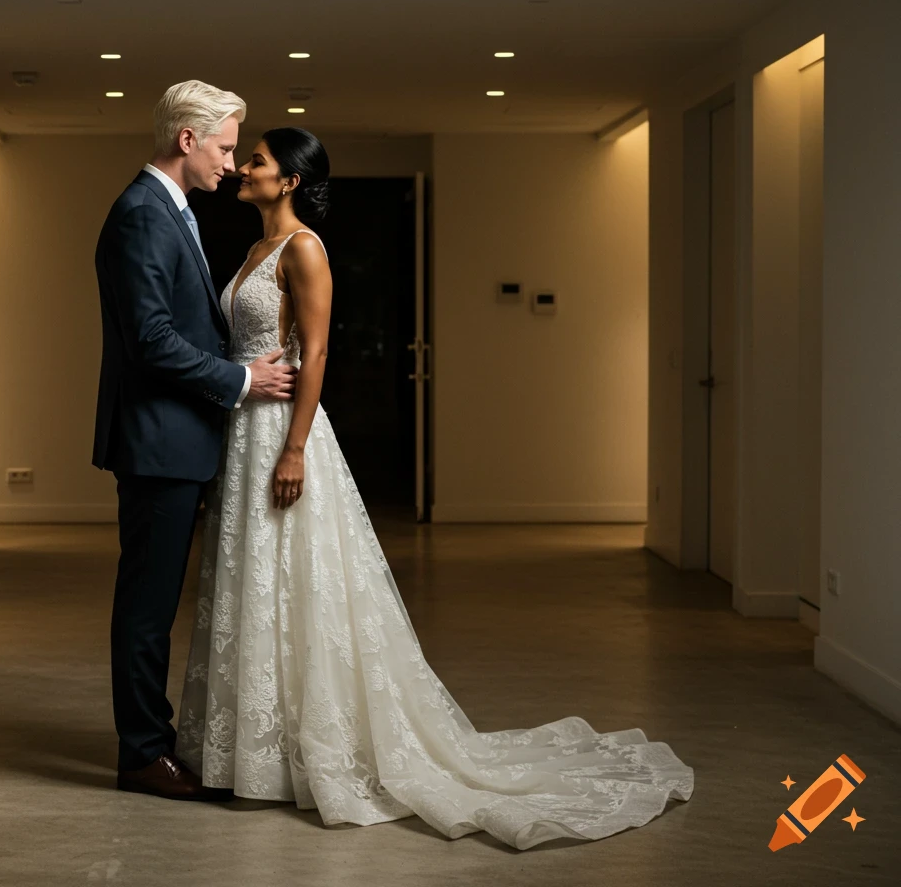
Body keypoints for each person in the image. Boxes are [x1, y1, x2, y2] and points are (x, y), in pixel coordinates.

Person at [174, 127, 695, 850]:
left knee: (296, 582)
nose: (243, 170)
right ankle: (254, 750)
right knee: (253, 585)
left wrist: (294, 448)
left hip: (282, 434)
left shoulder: (305, 249)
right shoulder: (254, 250)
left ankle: (310, 753)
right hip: (244, 428)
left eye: (256, 161)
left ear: (289, 180)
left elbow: (318, 350)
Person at [92, 80, 299, 801]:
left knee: (155, 602)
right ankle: (143, 755)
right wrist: (240, 379)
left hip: (178, 439)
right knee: (148, 607)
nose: (233, 162)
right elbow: (150, 341)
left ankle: (152, 742)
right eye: (226, 146)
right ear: (187, 141)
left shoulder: (168, 210)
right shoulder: (142, 215)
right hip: (157, 442)